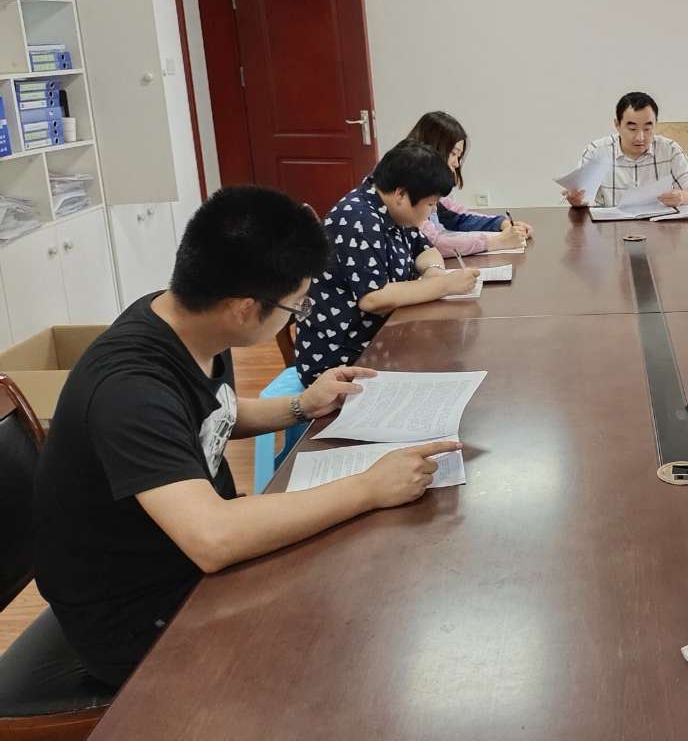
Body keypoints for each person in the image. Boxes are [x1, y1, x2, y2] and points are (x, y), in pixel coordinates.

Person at [32, 186, 461, 688]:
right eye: (296, 308)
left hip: (186, 564)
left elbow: (211, 415)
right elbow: (213, 538)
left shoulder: (188, 323)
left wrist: (303, 405)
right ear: (242, 308)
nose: (299, 316)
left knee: (370, 576)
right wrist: (369, 486)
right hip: (139, 615)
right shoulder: (130, 389)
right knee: (351, 644)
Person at [294, 140, 480, 385]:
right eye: (430, 204)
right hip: (343, 357)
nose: (432, 211)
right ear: (401, 194)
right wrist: (445, 285)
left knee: (453, 354)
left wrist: (434, 272)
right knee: (450, 365)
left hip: (383, 334)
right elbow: (374, 298)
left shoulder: (390, 209)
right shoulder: (358, 219)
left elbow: (425, 249)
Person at [406, 110, 533, 255]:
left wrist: (501, 224)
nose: (456, 163)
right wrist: (496, 242)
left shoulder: (430, 187)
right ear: (433, 149)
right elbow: (431, 243)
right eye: (453, 154)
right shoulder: (411, 188)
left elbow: (459, 218)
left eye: (458, 156)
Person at [563, 91, 688, 208]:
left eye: (647, 129)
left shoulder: (670, 149)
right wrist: (576, 201)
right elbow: (581, 196)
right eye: (632, 128)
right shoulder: (596, 151)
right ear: (617, 125)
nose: (640, 137)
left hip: (659, 228)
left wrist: (682, 197)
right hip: (609, 229)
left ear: (656, 124)